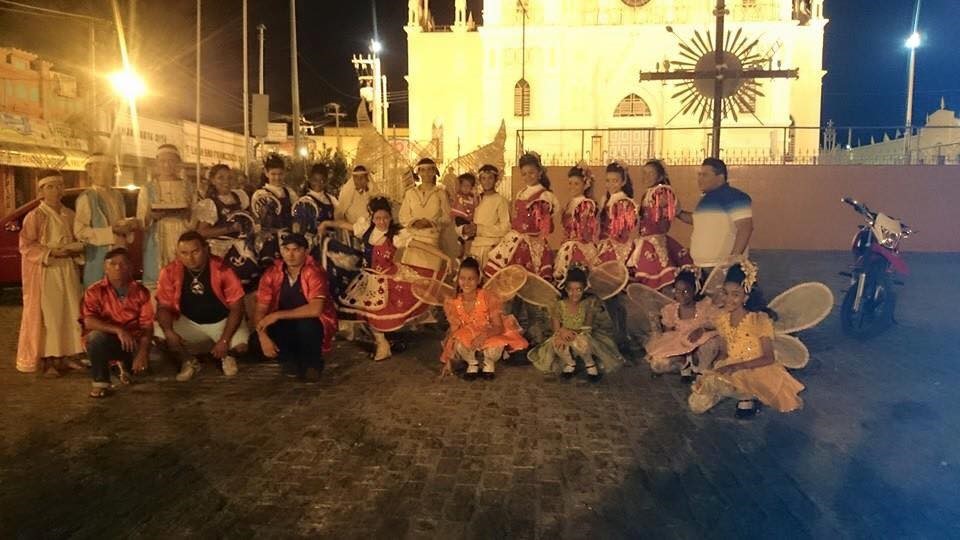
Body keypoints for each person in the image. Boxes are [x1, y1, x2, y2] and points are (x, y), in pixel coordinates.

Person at [320, 196, 451, 361]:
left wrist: (444, 257)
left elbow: (419, 245)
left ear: (390, 218)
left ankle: (382, 343)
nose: (382, 222)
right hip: (367, 277)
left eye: (385, 218)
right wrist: (326, 223)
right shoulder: (366, 229)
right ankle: (381, 342)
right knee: (365, 312)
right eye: (378, 218)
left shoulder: (395, 235)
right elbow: (344, 225)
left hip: (387, 276)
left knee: (378, 311)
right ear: (373, 218)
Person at [688, 261, 804, 418]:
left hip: (756, 368)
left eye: (735, 294)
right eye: (726, 293)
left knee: (732, 383)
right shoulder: (722, 319)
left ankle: (747, 397)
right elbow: (725, 352)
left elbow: (768, 357)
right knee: (696, 404)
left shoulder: (759, 320)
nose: (729, 299)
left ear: (746, 296)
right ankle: (730, 391)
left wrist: (737, 366)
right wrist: (715, 368)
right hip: (732, 365)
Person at [15, 172, 85, 376]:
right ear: (41, 191)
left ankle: (67, 354)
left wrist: (75, 250)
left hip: (67, 268)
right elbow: (26, 245)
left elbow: (77, 237)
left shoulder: (69, 214)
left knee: (70, 311)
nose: (56, 190)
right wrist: (50, 252)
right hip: (48, 270)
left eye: (59, 186)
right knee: (51, 314)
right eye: (50, 187)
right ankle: (49, 360)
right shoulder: (35, 216)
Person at [155, 231, 250, 381]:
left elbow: (237, 308)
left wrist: (224, 340)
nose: (190, 258)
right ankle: (188, 361)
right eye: (184, 253)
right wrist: (169, 331)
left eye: (195, 252)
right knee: (159, 334)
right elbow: (163, 306)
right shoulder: (169, 271)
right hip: (190, 322)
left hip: (222, 322)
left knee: (241, 347)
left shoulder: (223, 270)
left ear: (206, 249)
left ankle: (227, 355)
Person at [254, 233, 337, 381]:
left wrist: (277, 315)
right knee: (252, 345)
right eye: (286, 249)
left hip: (310, 323)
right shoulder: (272, 273)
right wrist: (262, 336)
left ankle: (312, 365)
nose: (290, 255)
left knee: (308, 326)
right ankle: (290, 357)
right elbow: (261, 308)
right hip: (283, 323)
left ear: (306, 252)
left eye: (296, 250)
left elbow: (315, 309)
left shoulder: (314, 272)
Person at [527, 266, 624, 381]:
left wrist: (572, 333)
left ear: (584, 289)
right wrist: (561, 333)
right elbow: (556, 328)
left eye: (579, 290)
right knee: (557, 342)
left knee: (581, 342)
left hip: (582, 334)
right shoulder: (559, 304)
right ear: (565, 289)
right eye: (570, 290)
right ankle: (570, 363)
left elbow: (587, 328)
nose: (574, 293)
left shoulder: (589, 303)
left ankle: (589, 363)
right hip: (564, 333)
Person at [80, 248, 154, 397]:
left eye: (123, 264)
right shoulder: (94, 291)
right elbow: (89, 321)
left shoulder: (141, 292)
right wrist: (119, 330)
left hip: (132, 342)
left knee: (139, 369)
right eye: (112, 264)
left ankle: (123, 365)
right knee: (95, 338)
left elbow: (147, 325)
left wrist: (143, 352)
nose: (118, 268)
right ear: (105, 267)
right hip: (107, 339)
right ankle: (101, 383)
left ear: (131, 267)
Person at [441, 257, 527, 380]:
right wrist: (448, 362)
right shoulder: (453, 302)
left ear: (478, 280)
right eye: (462, 278)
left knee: (495, 347)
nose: (466, 283)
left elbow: (499, 326)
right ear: (458, 279)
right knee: (458, 340)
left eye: (471, 279)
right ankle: (472, 363)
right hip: (469, 337)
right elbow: (454, 332)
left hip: (489, 332)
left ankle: (488, 363)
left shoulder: (488, 297)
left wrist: (483, 336)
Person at [676, 157, 753, 283]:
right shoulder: (705, 200)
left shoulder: (734, 197)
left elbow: (745, 228)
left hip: (720, 268)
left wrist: (732, 261)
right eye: (699, 175)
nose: (700, 179)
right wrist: (678, 213)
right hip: (701, 267)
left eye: (705, 175)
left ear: (720, 177)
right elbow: (698, 221)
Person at [482, 152, 558, 280]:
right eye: (524, 174)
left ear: (540, 172)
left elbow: (546, 227)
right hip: (514, 239)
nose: (528, 176)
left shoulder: (544, 196)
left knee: (529, 277)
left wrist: (539, 236)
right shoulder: (521, 193)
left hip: (532, 242)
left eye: (531, 172)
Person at [74, 153, 137, 288]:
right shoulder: (87, 198)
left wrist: (128, 227)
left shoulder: (117, 196)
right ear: (90, 172)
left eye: (106, 169)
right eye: (97, 170)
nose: (101, 174)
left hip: (119, 253)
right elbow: (80, 231)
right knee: (99, 292)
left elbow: (121, 221)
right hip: (98, 257)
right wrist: (109, 232)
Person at [644, 269, 720, 380]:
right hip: (681, 343)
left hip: (699, 343)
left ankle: (699, 369)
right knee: (658, 364)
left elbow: (716, 323)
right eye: (678, 291)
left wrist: (702, 329)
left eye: (685, 291)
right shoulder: (671, 310)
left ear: (694, 290)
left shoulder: (704, 307)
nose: (681, 295)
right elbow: (668, 333)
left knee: (712, 343)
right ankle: (685, 364)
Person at [628, 159, 692, 290]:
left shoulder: (661, 192)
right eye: (644, 173)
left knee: (655, 276)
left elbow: (664, 221)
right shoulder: (648, 193)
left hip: (655, 242)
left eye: (650, 173)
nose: (646, 176)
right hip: (645, 241)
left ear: (660, 176)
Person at [194, 164, 260, 292]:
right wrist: (229, 229)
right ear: (213, 180)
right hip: (221, 248)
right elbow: (202, 232)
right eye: (221, 178)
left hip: (242, 244)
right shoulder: (210, 204)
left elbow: (249, 217)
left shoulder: (240, 196)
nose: (226, 181)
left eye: (229, 178)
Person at [137, 144, 195, 289]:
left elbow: (195, 215)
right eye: (163, 161)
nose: (167, 165)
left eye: (171, 161)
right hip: (158, 237)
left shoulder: (188, 187)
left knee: (183, 280)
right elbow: (141, 219)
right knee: (159, 284)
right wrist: (151, 215)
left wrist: (187, 214)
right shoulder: (147, 189)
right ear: (157, 163)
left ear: (177, 163)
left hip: (181, 235)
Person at [399, 157, 451, 266]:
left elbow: (447, 218)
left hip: (432, 240)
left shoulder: (440, 193)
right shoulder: (410, 193)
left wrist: (430, 223)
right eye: (423, 170)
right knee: (411, 274)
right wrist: (414, 222)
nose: (426, 173)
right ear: (418, 172)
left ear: (434, 172)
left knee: (430, 274)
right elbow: (403, 216)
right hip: (413, 241)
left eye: (429, 170)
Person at [553, 164, 599, 284]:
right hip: (568, 245)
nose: (572, 186)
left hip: (580, 246)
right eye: (570, 183)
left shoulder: (586, 204)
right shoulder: (570, 203)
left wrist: (573, 240)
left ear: (585, 185)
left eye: (576, 184)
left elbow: (585, 231)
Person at [251, 154, 298, 266]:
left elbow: (296, 213)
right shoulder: (260, 194)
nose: (277, 177)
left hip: (288, 239)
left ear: (284, 173)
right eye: (273, 174)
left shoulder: (289, 192)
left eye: (280, 174)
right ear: (266, 173)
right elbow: (257, 220)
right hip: (270, 240)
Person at [463, 164, 510, 268]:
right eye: (483, 178)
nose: (487, 181)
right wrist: (466, 230)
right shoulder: (475, 199)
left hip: (491, 248)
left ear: (496, 179)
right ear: (480, 180)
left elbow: (505, 228)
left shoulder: (501, 201)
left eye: (490, 178)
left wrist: (479, 229)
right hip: (474, 247)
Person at [597, 160, 639, 265]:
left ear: (623, 182)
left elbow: (626, 229)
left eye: (615, 181)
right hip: (604, 245)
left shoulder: (625, 202)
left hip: (619, 248)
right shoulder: (605, 200)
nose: (611, 184)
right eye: (608, 180)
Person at [293, 162, 339, 246]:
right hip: (311, 244)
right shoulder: (304, 201)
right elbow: (301, 228)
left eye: (322, 180)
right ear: (310, 180)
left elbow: (337, 221)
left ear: (326, 181)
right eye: (315, 180)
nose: (318, 183)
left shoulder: (331, 200)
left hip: (330, 243)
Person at [450, 172, 480, 258]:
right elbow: (455, 184)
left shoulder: (472, 198)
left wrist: (475, 194)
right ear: (460, 186)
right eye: (464, 185)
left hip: (469, 219)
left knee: (468, 233)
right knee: (468, 233)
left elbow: (476, 205)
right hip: (460, 217)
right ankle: (466, 251)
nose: (466, 188)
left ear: (472, 187)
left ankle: (463, 249)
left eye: (468, 186)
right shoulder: (458, 195)